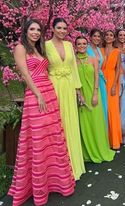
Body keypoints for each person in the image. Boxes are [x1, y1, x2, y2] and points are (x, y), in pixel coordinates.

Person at [8, 19, 75, 206]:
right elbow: (25, 74)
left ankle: (55, 183)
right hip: (36, 95)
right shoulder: (21, 48)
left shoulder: (40, 49)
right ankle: (36, 187)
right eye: (32, 29)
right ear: (25, 30)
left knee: (51, 138)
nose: (36, 32)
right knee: (37, 140)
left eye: (38, 30)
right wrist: (38, 94)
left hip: (49, 92)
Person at [45, 17, 85, 180]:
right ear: (52, 29)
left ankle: (73, 164)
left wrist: (79, 91)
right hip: (53, 86)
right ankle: (57, 167)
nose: (62, 31)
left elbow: (74, 69)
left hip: (69, 87)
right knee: (56, 123)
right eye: (59, 28)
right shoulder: (45, 45)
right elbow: (41, 67)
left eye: (64, 28)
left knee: (70, 121)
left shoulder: (69, 45)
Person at [75, 36, 115, 163]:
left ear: (87, 45)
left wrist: (96, 93)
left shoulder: (93, 60)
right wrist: (79, 95)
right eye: (79, 44)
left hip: (93, 93)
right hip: (81, 95)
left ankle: (100, 149)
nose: (82, 46)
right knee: (84, 123)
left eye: (84, 43)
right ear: (75, 46)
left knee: (96, 122)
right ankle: (87, 152)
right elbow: (74, 80)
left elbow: (97, 77)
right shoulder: (73, 61)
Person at [101, 30, 122, 149]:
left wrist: (114, 85)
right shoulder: (100, 50)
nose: (108, 37)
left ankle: (114, 140)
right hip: (101, 79)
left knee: (113, 110)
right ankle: (105, 139)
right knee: (103, 108)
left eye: (111, 35)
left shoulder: (117, 51)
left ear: (114, 38)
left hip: (113, 80)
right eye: (107, 35)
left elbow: (118, 69)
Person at [87, 29, 108, 126]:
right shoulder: (86, 48)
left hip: (101, 80)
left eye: (99, 36)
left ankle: (104, 132)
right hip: (91, 79)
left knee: (103, 104)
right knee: (94, 104)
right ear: (90, 37)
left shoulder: (99, 50)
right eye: (94, 36)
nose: (97, 38)